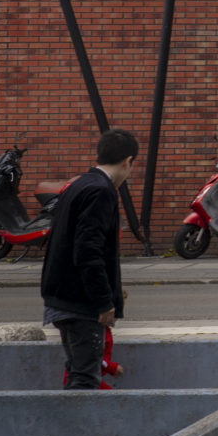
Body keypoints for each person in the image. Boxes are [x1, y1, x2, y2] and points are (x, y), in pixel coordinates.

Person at [40, 128, 136, 389]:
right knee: (84, 380)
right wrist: (104, 301)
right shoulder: (101, 191)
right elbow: (88, 250)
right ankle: (76, 429)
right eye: (130, 168)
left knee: (76, 372)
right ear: (127, 162)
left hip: (61, 299)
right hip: (81, 304)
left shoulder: (79, 185)